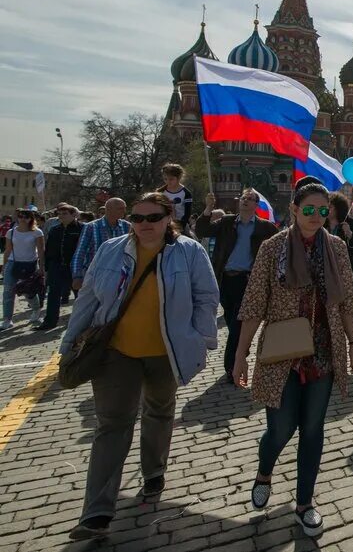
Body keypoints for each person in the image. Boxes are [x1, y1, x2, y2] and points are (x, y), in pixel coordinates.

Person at [63, 192, 219, 540]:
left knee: (159, 412)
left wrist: (201, 338)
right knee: (112, 426)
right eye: (137, 218)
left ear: (168, 219)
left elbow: (206, 296)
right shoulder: (111, 250)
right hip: (116, 353)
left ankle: (153, 470)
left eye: (152, 218)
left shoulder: (189, 251)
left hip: (166, 351)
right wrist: (69, 343)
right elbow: (88, 299)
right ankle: (97, 513)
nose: (144, 225)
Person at [232, 177, 353, 538]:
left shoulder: (336, 248)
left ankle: (305, 503)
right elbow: (255, 303)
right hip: (282, 352)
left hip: (323, 350)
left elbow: (346, 300)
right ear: (293, 210)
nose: (317, 216)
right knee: (280, 428)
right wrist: (240, 354)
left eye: (323, 211)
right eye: (309, 210)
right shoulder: (273, 248)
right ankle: (265, 471)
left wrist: (352, 343)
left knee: (314, 429)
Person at [195, 190, 279, 383]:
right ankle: (241, 350)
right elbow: (202, 231)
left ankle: (232, 366)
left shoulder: (265, 228)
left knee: (237, 324)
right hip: (225, 279)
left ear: (256, 205)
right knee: (233, 320)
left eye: (250, 200)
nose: (245, 202)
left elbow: (278, 248)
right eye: (243, 199)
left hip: (248, 281)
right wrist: (208, 207)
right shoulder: (227, 223)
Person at [39, 203, 84, 330]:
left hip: (74, 267)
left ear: (74, 215)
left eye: (65, 214)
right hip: (56, 266)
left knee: (79, 294)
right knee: (53, 294)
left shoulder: (82, 228)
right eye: (59, 214)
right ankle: (50, 322)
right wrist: (47, 266)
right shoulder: (55, 229)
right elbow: (49, 249)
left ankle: (80, 322)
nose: (61, 216)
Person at [71, 198, 130, 291]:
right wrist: (77, 276)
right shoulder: (91, 227)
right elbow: (80, 253)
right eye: (120, 208)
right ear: (109, 209)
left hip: (119, 277)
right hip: (94, 275)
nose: (124, 211)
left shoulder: (127, 227)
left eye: (124, 208)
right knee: (86, 305)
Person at [1, 207, 46, 329]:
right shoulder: (11, 232)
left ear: (31, 218)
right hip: (13, 263)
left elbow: (41, 251)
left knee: (28, 291)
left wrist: (41, 267)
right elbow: (7, 250)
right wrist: (4, 267)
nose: (22, 219)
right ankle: (7, 319)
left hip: (30, 264)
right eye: (20, 216)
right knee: (8, 292)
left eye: (26, 216)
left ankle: (36, 310)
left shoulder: (37, 232)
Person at [157, 163, 193, 229]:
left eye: (171, 179)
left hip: (181, 225)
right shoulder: (160, 192)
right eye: (165, 179)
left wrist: (180, 226)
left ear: (178, 178)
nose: (168, 182)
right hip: (164, 225)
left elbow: (187, 214)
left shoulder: (186, 193)